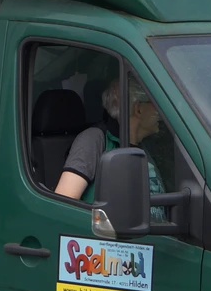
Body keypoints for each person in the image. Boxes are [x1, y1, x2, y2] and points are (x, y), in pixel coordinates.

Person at [55, 77, 170, 222]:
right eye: (154, 103)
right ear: (138, 109)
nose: (160, 110)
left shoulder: (146, 146)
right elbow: (63, 204)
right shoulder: (93, 140)